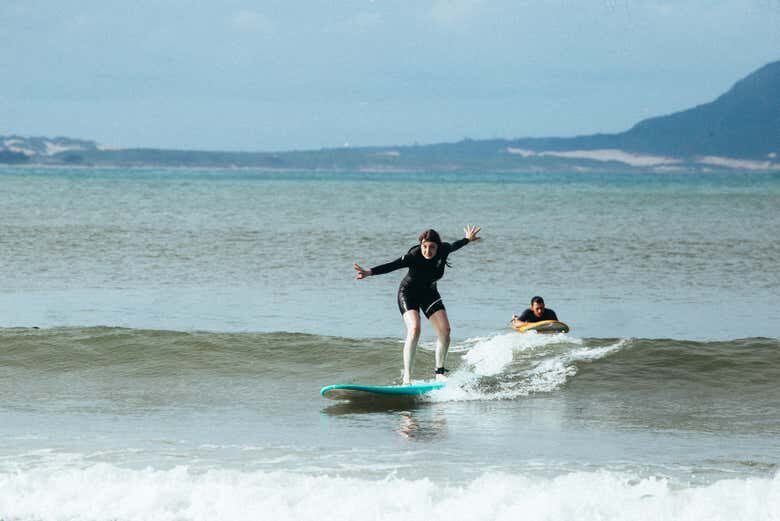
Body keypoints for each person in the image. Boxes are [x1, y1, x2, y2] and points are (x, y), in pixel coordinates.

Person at [353, 225, 481, 385]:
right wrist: (369, 272)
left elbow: (455, 245)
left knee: (445, 331)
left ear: (438, 247)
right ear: (421, 245)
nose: (428, 251)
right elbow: (391, 265)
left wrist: (468, 239)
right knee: (414, 329)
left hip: (429, 293)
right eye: (425, 247)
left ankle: (439, 372)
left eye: (432, 247)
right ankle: (407, 377)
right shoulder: (413, 256)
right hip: (408, 294)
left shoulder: (444, 250)